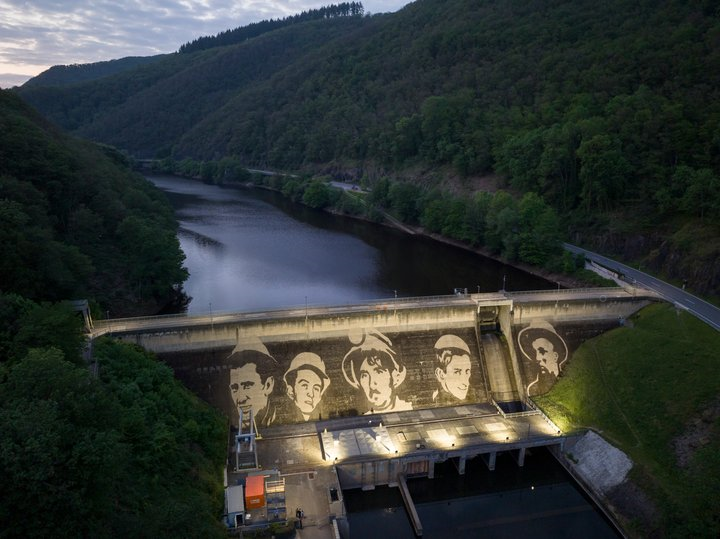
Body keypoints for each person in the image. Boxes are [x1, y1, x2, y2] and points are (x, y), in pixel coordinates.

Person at [342, 328, 412, 414]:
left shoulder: (409, 411)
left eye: (378, 372)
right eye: (364, 375)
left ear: (394, 376)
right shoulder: (361, 419)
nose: (372, 384)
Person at [227, 339, 279, 428]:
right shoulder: (232, 426)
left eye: (247, 386)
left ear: (268, 385)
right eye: (234, 388)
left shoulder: (280, 421)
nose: (240, 399)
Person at [517, 321, 568, 397]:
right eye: (534, 352)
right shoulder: (532, 390)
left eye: (542, 351)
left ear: (555, 356)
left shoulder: (568, 382)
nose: (537, 358)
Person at [283, 352, 330, 422]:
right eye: (304, 385)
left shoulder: (323, 418)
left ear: (320, 396)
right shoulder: (285, 417)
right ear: (290, 391)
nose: (311, 394)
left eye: (316, 388)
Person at [432, 334, 474, 404]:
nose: (466, 383)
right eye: (457, 372)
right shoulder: (434, 400)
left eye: (467, 372)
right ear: (440, 374)